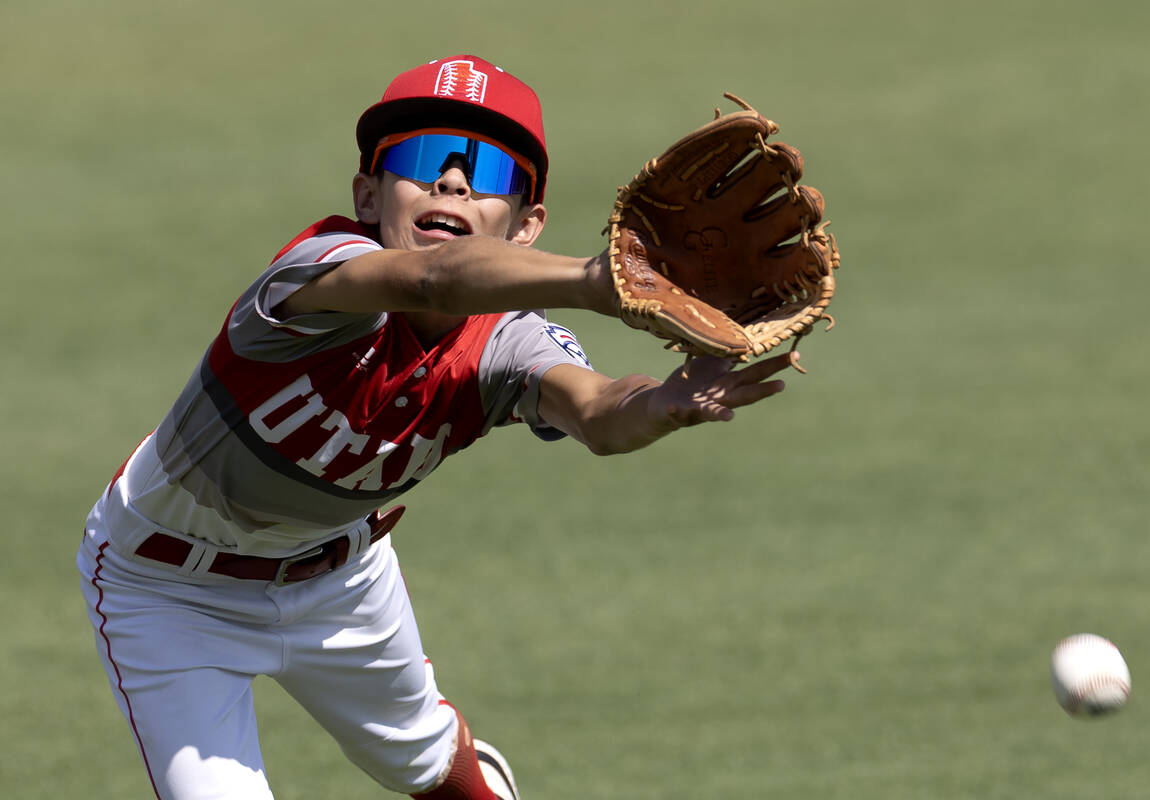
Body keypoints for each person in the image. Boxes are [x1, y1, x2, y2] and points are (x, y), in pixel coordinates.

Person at [77, 54, 798, 800]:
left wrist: (660, 405)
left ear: (526, 227)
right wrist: (598, 281)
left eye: (487, 169)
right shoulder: (315, 274)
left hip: (342, 578)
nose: (451, 180)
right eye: (422, 159)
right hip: (169, 590)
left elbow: (597, 410)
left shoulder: (508, 340)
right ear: (367, 195)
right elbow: (434, 278)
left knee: (425, 766)